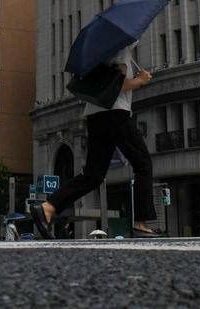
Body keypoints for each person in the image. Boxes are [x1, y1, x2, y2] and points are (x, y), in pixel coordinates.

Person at [30, 43, 159, 238]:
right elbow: (119, 86)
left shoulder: (99, 51)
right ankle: (141, 223)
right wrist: (140, 80)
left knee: (93, 174)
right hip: (116, 113)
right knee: (143, 164)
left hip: (95, 115)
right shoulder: (120, 49)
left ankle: (48, 207)